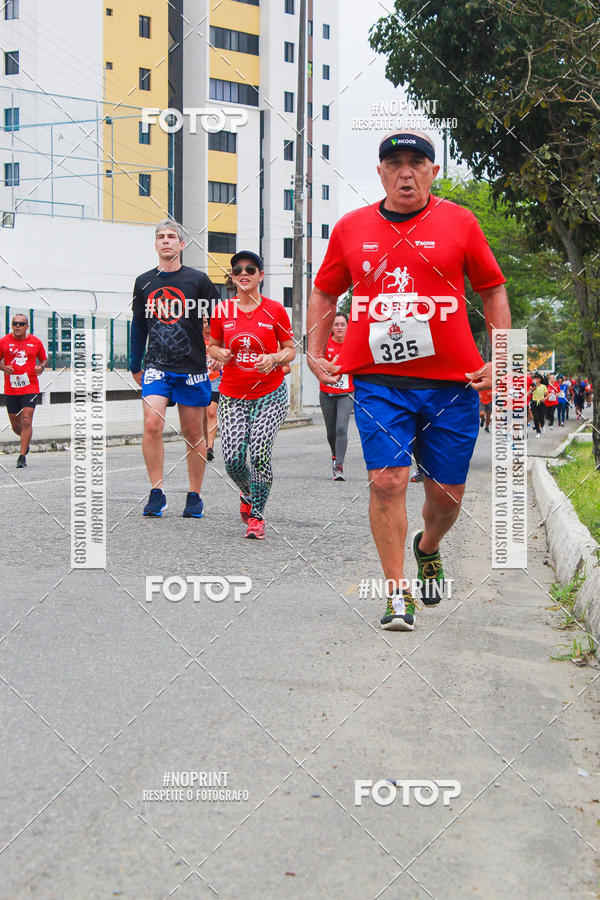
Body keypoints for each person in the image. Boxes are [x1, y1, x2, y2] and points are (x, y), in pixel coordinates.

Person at [307, 130, 511, 631]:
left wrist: (503, 357)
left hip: (451, 384)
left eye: (416, 163)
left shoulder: (460, 222)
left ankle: (429, 547)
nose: (405, 172)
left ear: (432, 172)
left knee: (445, 498)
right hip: (379, 382)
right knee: (389, 481)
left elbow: (492, 290)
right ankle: (398, 596)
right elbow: (324, 291)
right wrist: (312, 352)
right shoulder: (352, 228)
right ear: (379, 172)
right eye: (394, 163)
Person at [129, 219, 219, 517]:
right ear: (155, 245)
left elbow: (219, 318)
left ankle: (194, 495)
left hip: (191, 367)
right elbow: (138, 325)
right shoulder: (144, 281)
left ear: (182, 244)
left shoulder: (198, 280)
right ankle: (157, 492)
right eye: (160, 237)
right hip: (157, 366)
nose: (166, 241)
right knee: (152, 424)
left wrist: (217, 350)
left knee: (193, 432)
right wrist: (134, 362)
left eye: (171, 237)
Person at [209, 251, 296, 540]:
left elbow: (291, 350)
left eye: (250, 269)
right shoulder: (222, 311)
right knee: (233, 460)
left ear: (260, 275)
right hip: (233, 395)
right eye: (237, 270)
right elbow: (213, 345)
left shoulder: (275, 310)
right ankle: (248, 493)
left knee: (259, 453)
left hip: (270, 394)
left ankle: (256, 516)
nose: (243, 273)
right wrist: (218, 352)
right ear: (232, 278)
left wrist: (274, 358)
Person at [0, 314, 47, 468]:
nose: (18, 326)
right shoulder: (4, 342)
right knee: (15, 424)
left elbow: (44, 359)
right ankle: (25, 442)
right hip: (11, 388)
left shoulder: (35, 342)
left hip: (30, 386)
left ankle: (21, 457)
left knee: (26, 419)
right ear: (12, 326)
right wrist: (4, 368)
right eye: (15, 323)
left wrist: (41, 367)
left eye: (21, 323)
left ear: (27, 326)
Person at [319, 312, 354, 481]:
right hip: (326, 391)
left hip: (346, 393)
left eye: (342, 324)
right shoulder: (325, 344)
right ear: (332, 327)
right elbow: (319, 366)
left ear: (348, 326)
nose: (339, 327)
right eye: (336, 324)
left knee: (341, 428)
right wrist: (332, 366)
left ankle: (339, 466)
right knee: (331, 432)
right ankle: (335, 456)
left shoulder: (353, 344)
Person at [530, 373, 547, 437]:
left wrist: (545, 398)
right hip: (534, 403)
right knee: (536, 418)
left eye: (537, 378)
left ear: (540, 379)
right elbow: (529, 392)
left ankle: (542, 425)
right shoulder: (532, 386)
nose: (535, 379)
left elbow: (547, 394)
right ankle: (538, 432)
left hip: (541, 403)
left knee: (541, 418)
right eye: (534, 378)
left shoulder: (543, 386)